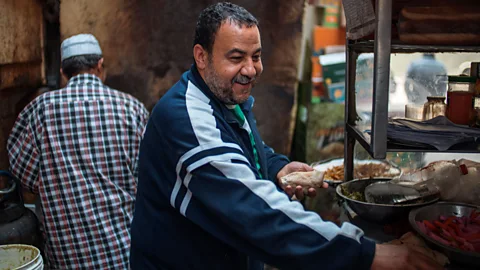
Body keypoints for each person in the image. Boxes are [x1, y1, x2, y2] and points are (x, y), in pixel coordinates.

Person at [129, 3, 442, 270]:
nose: (251, 70)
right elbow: (254, 212)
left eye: (256, 56)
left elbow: (240, 147)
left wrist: (276, 166)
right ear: (202, 56)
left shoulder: (223, 99)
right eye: (236, 58)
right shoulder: (185, 119)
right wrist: (368, 254)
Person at [7, 34, 149, 269]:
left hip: (68, 257)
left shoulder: (40, 110)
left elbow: (25, 177)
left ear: (63, 72)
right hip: (125, 252)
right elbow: (146, 178)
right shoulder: (131, 108)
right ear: (100, 65)